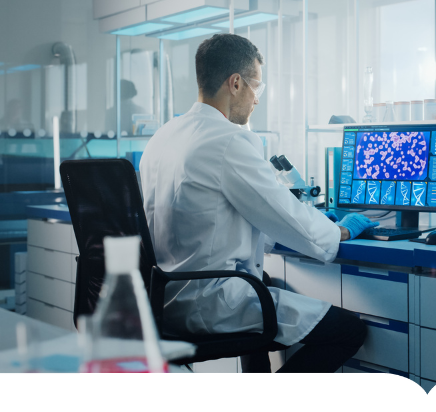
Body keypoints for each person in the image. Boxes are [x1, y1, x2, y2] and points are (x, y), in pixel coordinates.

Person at [139, 34, 376, 373]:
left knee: (263, 285)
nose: (257, 100)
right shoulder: (228, 140)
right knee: (346, 331)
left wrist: (307, 217)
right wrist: (339, 230)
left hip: (164, 299)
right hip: (210, 303)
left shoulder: (165, 135)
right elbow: (292, 220)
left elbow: (222, 217)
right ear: (235, 83)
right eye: (256, 88)